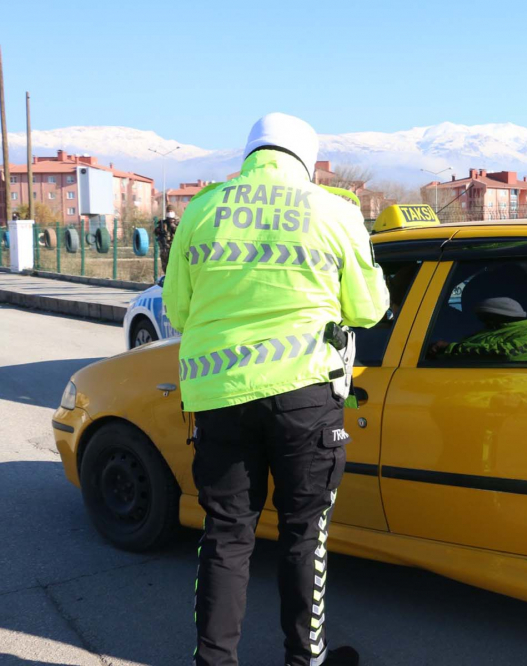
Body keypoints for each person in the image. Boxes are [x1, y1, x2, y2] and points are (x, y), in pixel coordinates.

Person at [163, 112, 389, 666]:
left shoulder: (202, 210)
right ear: (307, 162)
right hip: (304, 398)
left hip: (219, 397)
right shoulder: (334, 211)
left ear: (249, 154)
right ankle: (305, 659)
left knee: (226, 536)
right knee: (302, 536)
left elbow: (178, 310)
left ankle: (214, 662)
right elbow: (369, 308)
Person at [429, 296, 527, 362]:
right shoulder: (486, 332)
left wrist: (451, 348)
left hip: (507, 394)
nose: (481, 321)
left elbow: (509, 354)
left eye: (483, 317)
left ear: (495, 317)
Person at [155, 205, 180, 274]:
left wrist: (173, 226)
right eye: (168, 211)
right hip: (165, 249)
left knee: (176, 267)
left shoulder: (179, 222)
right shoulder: (163, 223)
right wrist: (159, 230)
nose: (170, 213)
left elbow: (180, 232)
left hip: (175, 248)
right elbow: (156, 232)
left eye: (171, 211)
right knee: (165, 267)